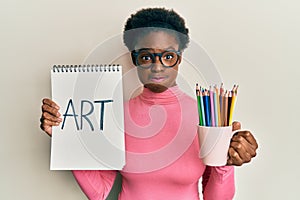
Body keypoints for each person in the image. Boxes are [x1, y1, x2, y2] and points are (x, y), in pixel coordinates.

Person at [40, 7, 258, 200]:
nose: (157, 67)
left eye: (168, 56)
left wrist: (226, 165)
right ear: (135, 59)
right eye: (146, 57)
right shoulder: (116, 115)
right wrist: (67, 137)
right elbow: (99, 192)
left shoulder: (206, 117)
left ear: (179, 58)